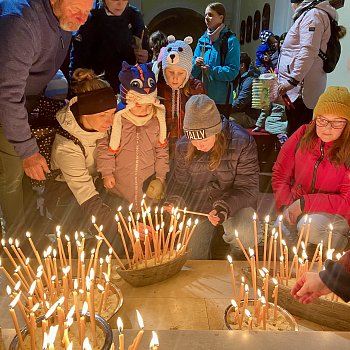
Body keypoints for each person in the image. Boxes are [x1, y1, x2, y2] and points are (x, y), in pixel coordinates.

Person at [0, 0, 94, 237]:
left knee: (23, 176)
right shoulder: (20, 22)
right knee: (11, 176)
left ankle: (32, 233)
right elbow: (7, 95)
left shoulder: (63, 20)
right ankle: (17, 244)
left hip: (25, 105)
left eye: (87, 12)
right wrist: (27, 150)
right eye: (77, 10)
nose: (83, 19)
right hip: (6, 109)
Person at [166, 94, 260, 259]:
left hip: (234, 206)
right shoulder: (183, 146)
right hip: (200, 208)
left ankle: (238, 259)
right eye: (193, 140)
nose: (199, 145)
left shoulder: (242, 142)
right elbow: (180, 185)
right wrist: (175, 202)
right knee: (191, 256)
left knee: (245, 235)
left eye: (204, 139)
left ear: (216, 131)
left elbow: (248, 189)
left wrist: (223, 208)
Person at [272, 86, 350, 251]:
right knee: (279, 229)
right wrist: (286, 206)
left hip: (335, 215)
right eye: (322, 120)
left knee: (310, 226)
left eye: (337, 122)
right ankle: (294, 268)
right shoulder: (302, 135)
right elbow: (280, 174)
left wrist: (304, 203)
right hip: (297, 205)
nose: (327, 127)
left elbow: (347, 202)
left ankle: (334, 260)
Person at [46, 68, 118, 234]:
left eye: (113, 113)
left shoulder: (103, 127)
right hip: (66, 195)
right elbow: (86, 195)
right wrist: (119, 228)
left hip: (97, 185)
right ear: (86, 112)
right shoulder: (67, 145)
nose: (111, 121)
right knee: (83, 226)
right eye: (103, 115)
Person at [96, 62, 169, 213]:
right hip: (119, 189)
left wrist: (161, 177)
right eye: (139, 105)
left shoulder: (156, 123)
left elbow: (162, 152)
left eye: (149, 106)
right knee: (123, 223)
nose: (144, 110)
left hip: (147, 187)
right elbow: (105, 149)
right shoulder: (117, 122)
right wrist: (107, 172)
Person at [277, 0, 340, 136]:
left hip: (301, 90)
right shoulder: (313, 14)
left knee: (298, 136)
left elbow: (308, 51)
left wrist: (292, 81)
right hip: (300, 88)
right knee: (297, 134)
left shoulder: (313, 15)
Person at [70, 0, 149, 93]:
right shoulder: (89, 17)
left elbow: (145, 54)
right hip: (97, 90)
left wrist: (145, 58)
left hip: (129, 88)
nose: (120, 4)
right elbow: (77, 62)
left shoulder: (134, 17)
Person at [158, 36, 205, 158]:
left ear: (188, 71)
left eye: (180, 73)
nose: (175, 78)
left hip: (189, 146)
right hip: (163, 148)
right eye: (170, 72)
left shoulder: (196, 89)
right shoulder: (159, 90)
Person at [192, 2, 240, 118]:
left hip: (221, 101)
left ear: (221, 17)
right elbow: (192, 72)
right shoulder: (202, 41)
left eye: (210, 15)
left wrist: (211, 70)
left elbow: (233, 71)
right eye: (205, 15)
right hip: (202, 97)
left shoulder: (230, 41)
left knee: (220, 135)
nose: (206, 18)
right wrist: (195, 64)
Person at [229, 52, 260, 128]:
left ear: (242, 65)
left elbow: (240, 103)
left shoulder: (249, 80)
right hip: (241, 112)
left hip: (250, 117)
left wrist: (225, 109)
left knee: (225, 121)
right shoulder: (240, 78)